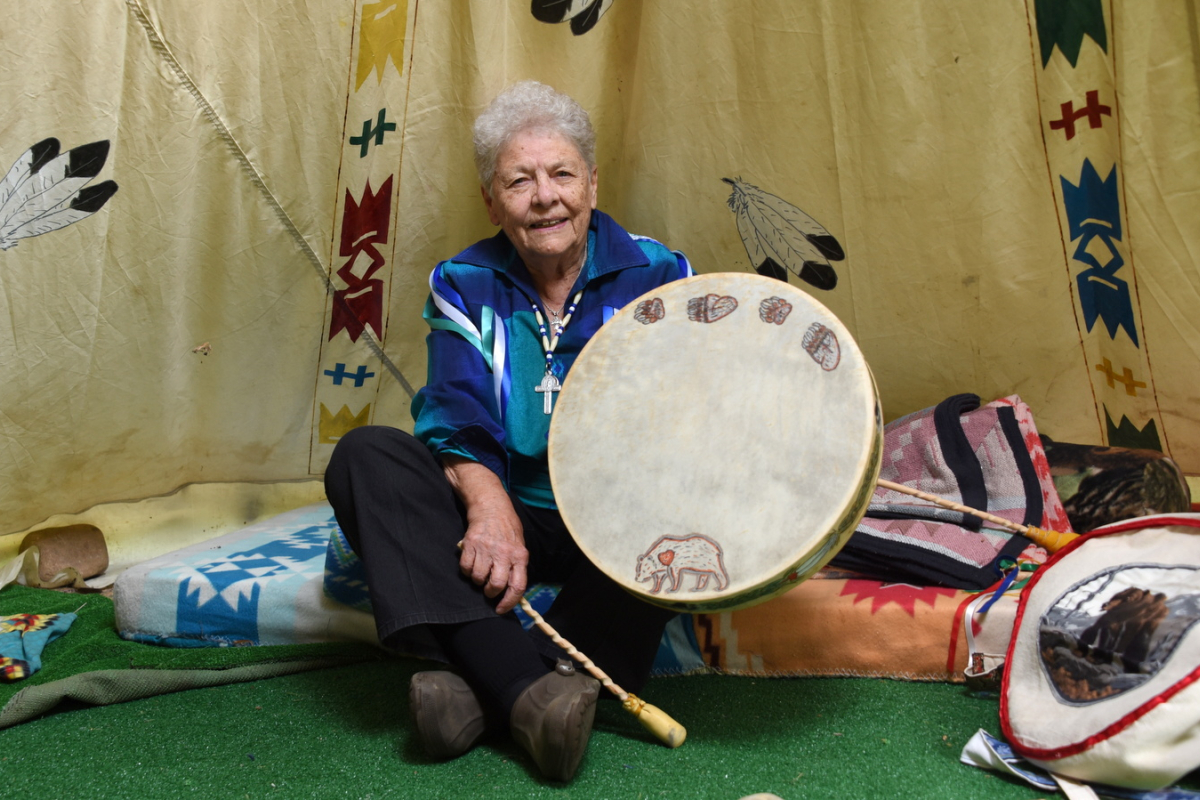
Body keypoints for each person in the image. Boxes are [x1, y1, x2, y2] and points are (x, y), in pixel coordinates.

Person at [324, 81, 692, 782]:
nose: (544, 196)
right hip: (499, 513)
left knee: (682, 499)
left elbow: (682, 420)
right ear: (492, 201)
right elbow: (455, 409)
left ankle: (478, 686)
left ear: (591, 182)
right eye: (518, 181)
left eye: (560, 174)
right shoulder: (463, 281)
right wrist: (490, 510)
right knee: (366, 455)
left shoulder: (661, 275)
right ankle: (537, 694)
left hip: (612, 523)